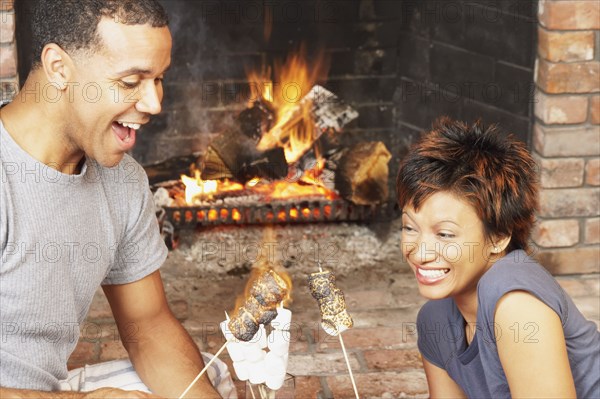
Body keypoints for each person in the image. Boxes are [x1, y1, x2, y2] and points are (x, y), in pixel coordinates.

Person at [0, 1, 236, 398]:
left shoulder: (123, 182)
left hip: (44, 390)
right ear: (59, 68)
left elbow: (148, 326)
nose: (154, 104)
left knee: (205, 381)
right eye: (131, 82)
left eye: (158, 79)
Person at [396, 118, 600, 398]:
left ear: (498, 237)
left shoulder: (515, 302)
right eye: (409, 227)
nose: (419, 253)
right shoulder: (435, 321)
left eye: (445, 234)